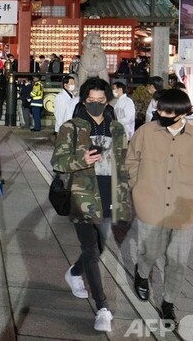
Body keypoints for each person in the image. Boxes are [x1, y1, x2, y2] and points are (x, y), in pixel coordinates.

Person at [126, 88, 193, 326]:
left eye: (167, 111)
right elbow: (131, 161)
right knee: (150, 252)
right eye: (160, 109)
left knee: (178, 261)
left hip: (183, 210)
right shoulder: (146, 132)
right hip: (151, 206)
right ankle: (142, 273)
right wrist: (138, 187)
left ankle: (168, 303)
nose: (161, 113)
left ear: (182, 113)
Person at [51, 78, 131, 333]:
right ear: (83, 100)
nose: (96, 105)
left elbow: (124, 163)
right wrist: (81, 158)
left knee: (98, 245)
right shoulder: (71, 127)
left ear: (108, 101)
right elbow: (58, 162)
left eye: (101, 101)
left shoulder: (117, 128)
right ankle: (103, 308)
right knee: (91, 249)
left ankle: (74, 272)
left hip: (109, 193)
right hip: (82, 194)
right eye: (91, 101)